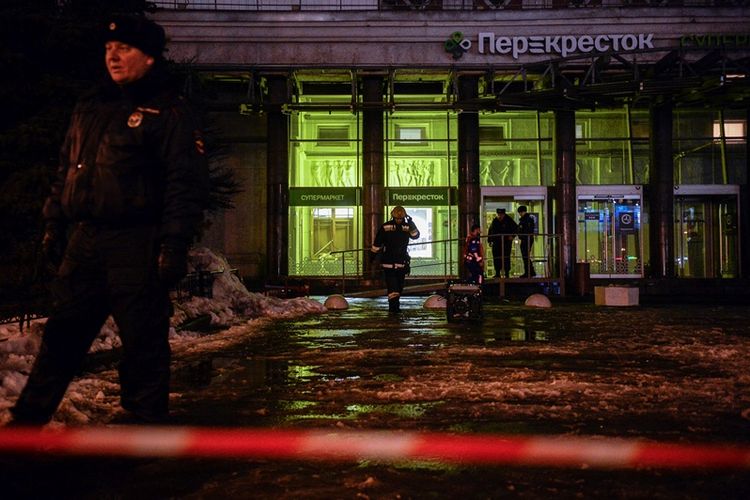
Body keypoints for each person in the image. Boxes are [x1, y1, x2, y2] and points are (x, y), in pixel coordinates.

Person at [9, 15, 209, 425]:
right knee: (62, 335)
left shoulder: (168, 112)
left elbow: (183, 184)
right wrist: (54, 222)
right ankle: (27, 421)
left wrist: (173, 245)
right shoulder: (92, 105)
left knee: (142, 339)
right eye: (107, 49)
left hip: (136, 240)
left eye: (125, 49)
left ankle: (144, 421)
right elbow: (68, 168)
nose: (113, 56)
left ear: (150, 57)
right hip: (86, 239)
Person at [371, 206, 420, 313]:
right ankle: (394, 308)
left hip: (393, 261)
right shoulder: (406, 226)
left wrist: (372, 257)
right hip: (397, 262)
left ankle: (394, 307)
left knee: (397, 287)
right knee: (394, 286)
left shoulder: (386, 226)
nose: (398, 219)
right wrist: (410, 222)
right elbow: (415, 235)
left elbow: (377, 244)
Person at [487, 208, 517, 278]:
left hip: (506, 243)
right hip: (496, 243)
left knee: (506, 257)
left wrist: (512, 236)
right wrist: (490, 240)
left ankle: (507, 273)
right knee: (497, 257)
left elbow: (516, 228)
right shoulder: (495, 221)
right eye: (499, 214)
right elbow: (491, 230)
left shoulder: (509, 220)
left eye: (501, 214)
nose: (500, 216)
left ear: (504, 214)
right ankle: (497, 273)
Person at [517, 205, 536, 278]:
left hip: (526, 239)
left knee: (525, 256)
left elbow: (526, 230)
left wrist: (521, 235)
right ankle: (530, 271)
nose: (520, 214)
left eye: (521, 212)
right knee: (526, 256)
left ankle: (529, 272)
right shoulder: (526, 219)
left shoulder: (527, 220)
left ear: (524, 212)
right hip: (526, 239)